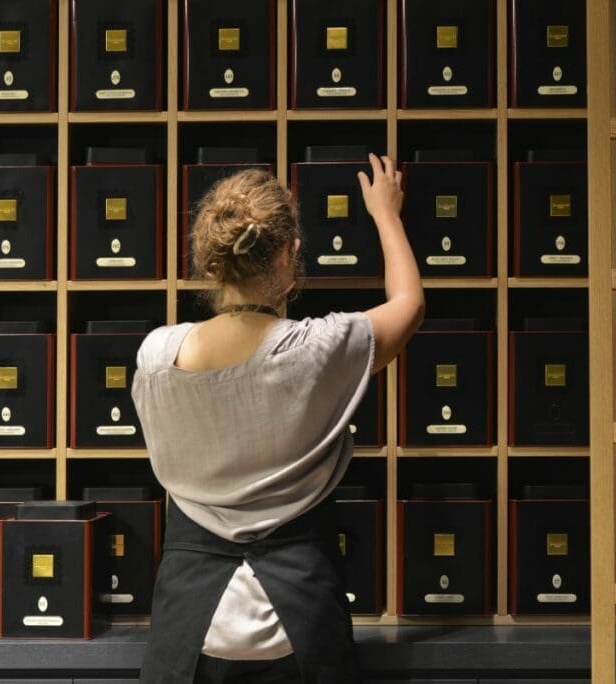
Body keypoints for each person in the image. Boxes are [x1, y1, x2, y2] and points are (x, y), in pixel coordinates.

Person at [131, 153, 424, 683]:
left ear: (210, 263)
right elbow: (409, 304)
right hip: (301, 619)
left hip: (188, 625)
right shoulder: (316, 348)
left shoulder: (155, 356)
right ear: (289, 255)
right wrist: (386, 213)